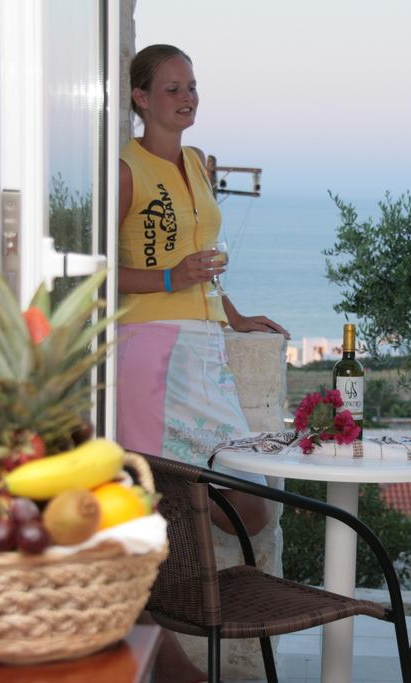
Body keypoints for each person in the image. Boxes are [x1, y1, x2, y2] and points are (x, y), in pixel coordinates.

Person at [117, 44, 288, 683]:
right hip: (151, 349)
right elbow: (100, 269)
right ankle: (164, 657)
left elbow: (204, 257)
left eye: (192, 86)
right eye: (172, 88)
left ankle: (158, 648)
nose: (187, 98)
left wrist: (233, 315)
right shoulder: (125, 170)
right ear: (140, 98)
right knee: (150, 512)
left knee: (249, 504)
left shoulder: (196, 163)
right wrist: (170, 277)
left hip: (204, 346)